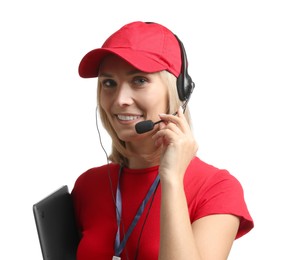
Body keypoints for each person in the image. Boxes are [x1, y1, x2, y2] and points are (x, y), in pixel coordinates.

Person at [71, 21, 254, 260]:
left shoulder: (216, 189)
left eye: (139, 80)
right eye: (109, 83)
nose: (120, 99)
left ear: (178, 90)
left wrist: (172, 179)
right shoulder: (88, 185)